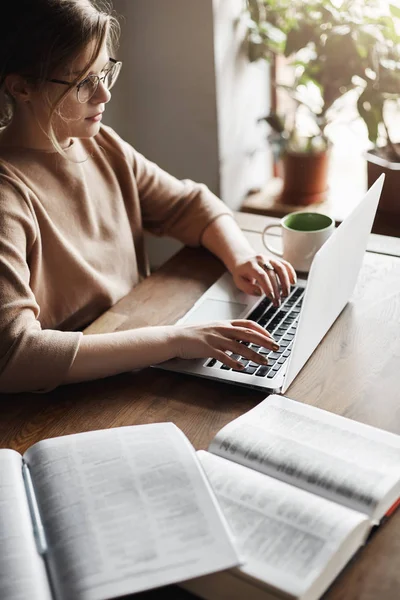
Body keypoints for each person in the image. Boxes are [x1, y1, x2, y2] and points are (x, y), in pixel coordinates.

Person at [0, 0, 296, 394]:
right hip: (66, 398)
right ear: (20, 87)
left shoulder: (101, 145)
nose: (104, 94)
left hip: (132, 352)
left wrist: (241, 256)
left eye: (105, 72)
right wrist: (172, 340)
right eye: (83, 82)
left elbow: (189, 205)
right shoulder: (8, 194)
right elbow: (16, 356)